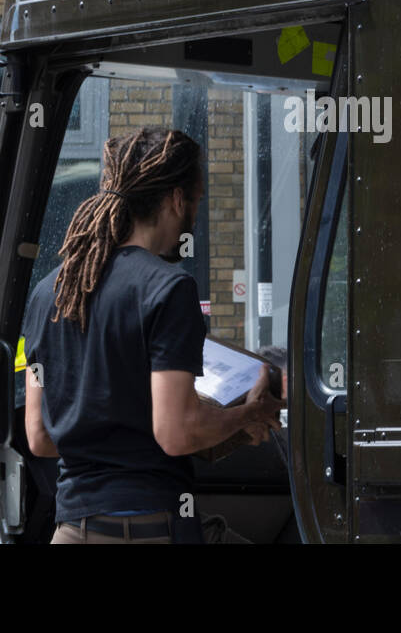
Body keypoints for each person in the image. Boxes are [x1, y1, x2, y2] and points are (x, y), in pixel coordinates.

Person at [21, 127, 284, 544]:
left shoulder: (48, 293)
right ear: (177, 199)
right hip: (148, 529)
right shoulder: (168, 289)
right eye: (196, 200)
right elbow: (176, 433)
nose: (194, 216)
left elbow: (39, 436)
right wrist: (249, 414)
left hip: (72, 531)